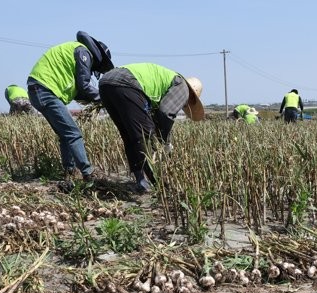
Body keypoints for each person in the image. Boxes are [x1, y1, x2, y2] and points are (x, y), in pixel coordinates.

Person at [98, 63, 204, 192]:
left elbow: (158, 116)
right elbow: (166, 114)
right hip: (127, 84)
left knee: (130, 136)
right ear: (192, 96)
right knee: (144, 136)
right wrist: (164, 141)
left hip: (106, 83)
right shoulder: (183, 88)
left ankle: (141, 181)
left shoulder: (167, 84)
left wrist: (163, 136)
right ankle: (157, 183)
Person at [27, 31, 114, 186]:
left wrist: (94, 101)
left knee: (65, 135)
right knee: (74, 134)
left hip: (38, 90)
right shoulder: (83, 52)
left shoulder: (75, 50)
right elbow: (85, 86)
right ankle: (88, 173)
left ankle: (70, 173)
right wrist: (106, 98)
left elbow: (80, 91)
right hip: (45, 90)